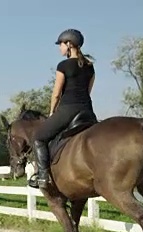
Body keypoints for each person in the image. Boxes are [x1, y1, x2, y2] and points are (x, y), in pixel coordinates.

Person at [28, 28, 96, 190]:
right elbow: (88, 91)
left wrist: (52, 112)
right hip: (87, 111)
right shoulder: (90, 66)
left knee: (38, 137)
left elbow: (57, 94)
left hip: (68, 110)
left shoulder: (63, 65)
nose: (60, 48)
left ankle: (43, 177)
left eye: (61, 44)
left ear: (69, 44)